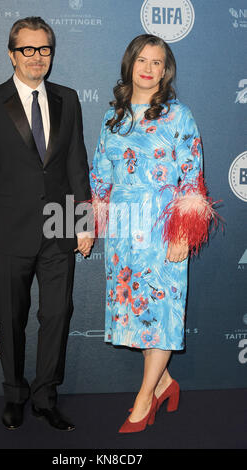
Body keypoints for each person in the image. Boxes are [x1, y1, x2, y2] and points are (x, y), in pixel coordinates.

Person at [0, 16, 94, 431]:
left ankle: (45, 397)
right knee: (11, 318)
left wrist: (84, 222)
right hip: (5, 236)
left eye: (45, 49)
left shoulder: (68, 99)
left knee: (57, 317)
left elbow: (77, 164)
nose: (37, 57)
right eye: (28, 49)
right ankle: (14, 395)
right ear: (11, 53)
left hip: (59, 231)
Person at [90, 34, 219, 433]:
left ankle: (144, 399)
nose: (147, 68)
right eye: (141, 60)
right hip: (124, 233)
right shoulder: (114, 118)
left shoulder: (178, 116)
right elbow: (100, 176)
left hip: (164, 228)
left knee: (162, 312)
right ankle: (164, 382)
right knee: (136, 311)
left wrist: (184, 230)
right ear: (129, 64)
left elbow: (192, 177)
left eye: (157, 62)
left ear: (166, 70)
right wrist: (89, 225)